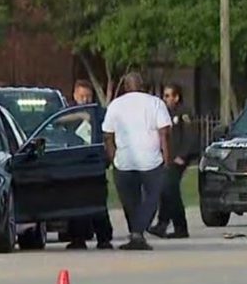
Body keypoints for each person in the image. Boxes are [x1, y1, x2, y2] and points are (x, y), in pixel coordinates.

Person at [102, 72, 172, 251]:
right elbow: (164, 133)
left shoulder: (115, 105)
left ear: (125, 87)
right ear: (142, 85)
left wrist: (112, 156)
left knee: (129, 201)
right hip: (151, 160)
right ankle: (138, 234)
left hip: (124, 161)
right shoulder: (155, 103)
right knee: (151, 198)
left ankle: (136, 233)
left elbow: (107, 136)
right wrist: (166, 156)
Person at [66, 80, 115, 250]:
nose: (85, 100)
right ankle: (77, 238)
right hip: (74, 164)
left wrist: (108, 159)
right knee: (75, 202)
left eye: (87, 96)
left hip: (94, 163)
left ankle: (104, 238)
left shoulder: (100, 115)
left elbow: (109, 137)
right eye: (81, 97)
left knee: (98, 201)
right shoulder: (68, 116)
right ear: (74, 96)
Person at [149, 83, 196, 239]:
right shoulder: (164, 113)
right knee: (167, 190)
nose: (167, 98)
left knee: (170, 189)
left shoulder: (184, 113)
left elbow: (190, 136)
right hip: (167, 158)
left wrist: (182, 155)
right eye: (165, 95)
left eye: (170, 95)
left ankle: (178, 227)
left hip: (178, 158)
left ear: (177, 97)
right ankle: (163, 224)